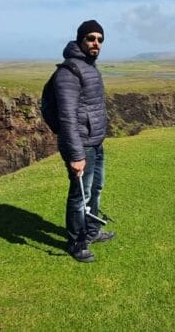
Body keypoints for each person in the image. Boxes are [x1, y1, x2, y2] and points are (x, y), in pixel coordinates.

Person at [54, 20, 115, 262]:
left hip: (96, 143)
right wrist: (76, 155)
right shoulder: (68, 72)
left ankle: (92, 231)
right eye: (91, 38)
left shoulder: (90, 67)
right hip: (81, 146)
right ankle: (77, 243)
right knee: (80, 195)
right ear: (80, 39)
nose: (96, 43)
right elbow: (67, 117)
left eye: (100, 39)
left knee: (96, 189)